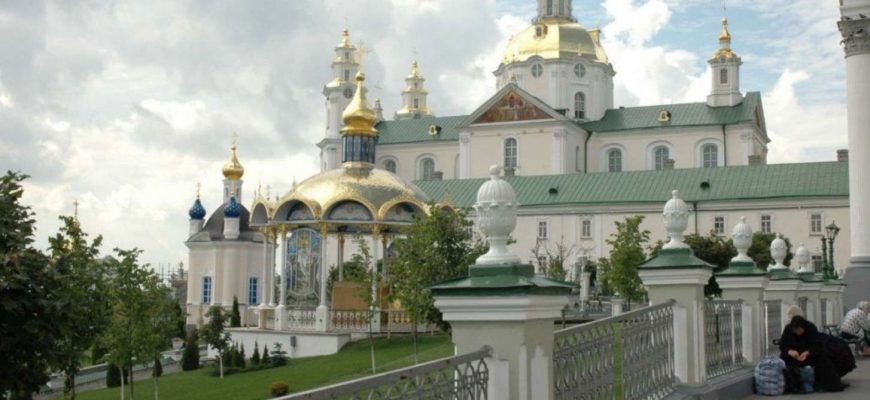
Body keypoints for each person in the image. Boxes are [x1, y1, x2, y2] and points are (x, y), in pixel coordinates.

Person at [779, 316, 849, 392]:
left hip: (810, 354)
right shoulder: (788, 329)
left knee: (823, 359)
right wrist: (790, 351)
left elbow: (816, 345)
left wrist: (807, 352)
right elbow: (782, 345)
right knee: (782, 361)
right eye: (795, 331)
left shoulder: (810, 328)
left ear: (803, 327)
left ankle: (823, 384)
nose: (797, 333)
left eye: (799, 330)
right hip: (794, 356)